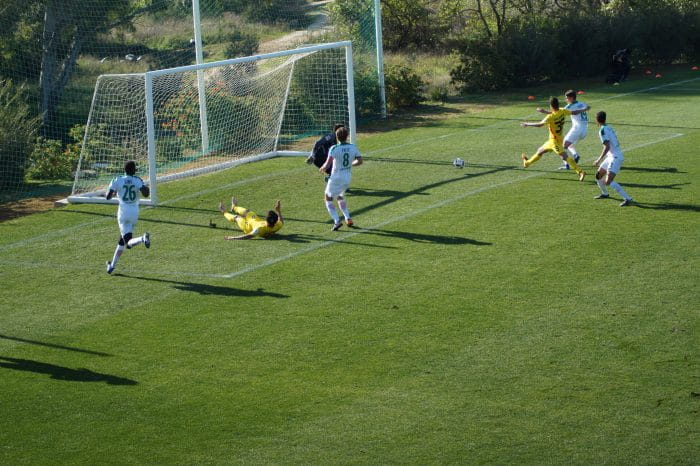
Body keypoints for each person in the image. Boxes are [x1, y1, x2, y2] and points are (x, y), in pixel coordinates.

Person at [520, 96, 589, 181]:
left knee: (564, 156)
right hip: (558, 138)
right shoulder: (562, 111)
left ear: (551, 106)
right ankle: (526, 163)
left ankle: (580, 172)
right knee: (540, 151)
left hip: (554, 141)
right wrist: (584, 109)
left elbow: (540, 124)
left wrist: (527, 124)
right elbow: (574, 112)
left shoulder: (550, 117)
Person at [105, 160, 151, 274]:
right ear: (134, 170)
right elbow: (146, 193)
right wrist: (145, 188)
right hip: (134, 212)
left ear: (124, 170)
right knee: (122, 240)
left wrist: (114, 192)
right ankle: (111, 266)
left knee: (128, 243)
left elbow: (108, 197)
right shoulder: (137, 180)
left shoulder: (117, 179)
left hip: (123, 213)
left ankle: (142, 238)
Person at [319, 126, 362, 231]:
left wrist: (322, 168)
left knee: (327, 197)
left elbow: (327, 164)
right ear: (347, 136)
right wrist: (351, 164)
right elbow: (360, 161)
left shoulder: (334, 148)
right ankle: (348, 218)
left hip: (336, 177)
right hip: (347, 177)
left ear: (337, 137)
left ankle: (337, 221)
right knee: (339, 196)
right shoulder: (353, 147)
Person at [592, 111, 633, 207]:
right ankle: (605, 194)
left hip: (616, 157)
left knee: (608, 181)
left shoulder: (602, 130)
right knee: (599, 176)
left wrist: (598, 160)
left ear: (597, 120)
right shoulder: (608, 127)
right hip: (611, 156)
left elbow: (606, 147)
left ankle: (627, 198)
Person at [541, 89, 588, 170]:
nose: (566, 100)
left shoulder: (569, 106)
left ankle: (567, 165)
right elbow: (587, 107)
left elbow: (556, 113)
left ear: (571, 98)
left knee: (563, 145)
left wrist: (544, 111)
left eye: (567, 98)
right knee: (569, 144)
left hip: (577, 128)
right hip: (585, 130)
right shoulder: (582, 103)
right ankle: (575, 155)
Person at [219, 197, 283, 239]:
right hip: (256, 220)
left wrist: (233, 238)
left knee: (237, 218)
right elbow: (281, 221)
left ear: (266, 219)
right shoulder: (277, 225)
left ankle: (224, 212)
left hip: (247, 227)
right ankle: (234, 207)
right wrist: (278, 211)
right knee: (248, 212)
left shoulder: (259, 229)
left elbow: (248, 236)